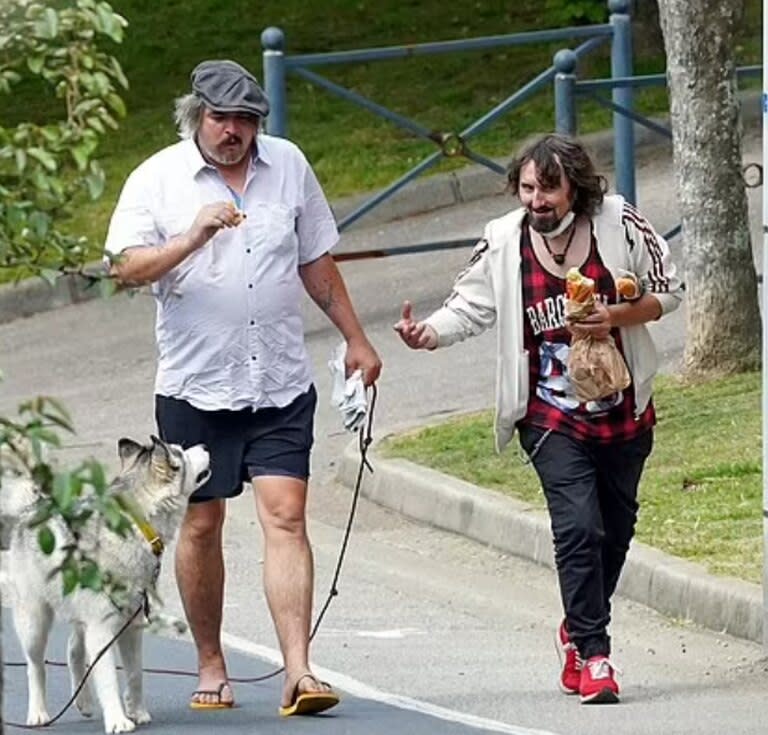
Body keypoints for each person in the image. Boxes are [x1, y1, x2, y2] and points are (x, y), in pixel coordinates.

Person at [104, 59, 381, 716]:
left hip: (279, 378)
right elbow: (122, 267)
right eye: (221, 118)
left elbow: (316, 261)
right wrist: (192, 235)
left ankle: (298, 670)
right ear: (195, 115)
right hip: (195, 385)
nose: (234, 131)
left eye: (246, 121)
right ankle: (211, 660)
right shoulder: (157, 178)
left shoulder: (288, 166)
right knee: (202, 522)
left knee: (286, 516)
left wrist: (357, 339)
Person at [394, 133, 682, 704]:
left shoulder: (619, 222)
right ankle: (595, 655)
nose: (537, 200)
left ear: (576, 185)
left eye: (548, 187)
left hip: (623, 407)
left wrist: (615, 315)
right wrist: (429, 334)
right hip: (549, 411)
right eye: (527, 188)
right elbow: (470, 304)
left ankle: (577, 627)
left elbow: (669, 290)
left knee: (615, 530)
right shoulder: (504, 240)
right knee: (578, 526)